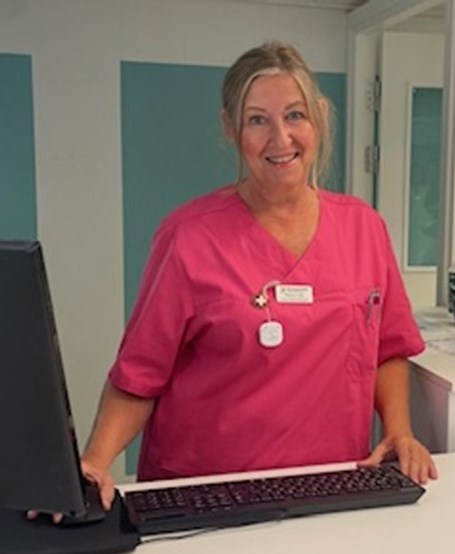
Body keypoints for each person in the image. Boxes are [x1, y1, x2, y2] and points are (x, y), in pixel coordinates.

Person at [82, 40, 438, 510]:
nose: (280, 138)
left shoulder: (364, 228)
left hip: (328, 487)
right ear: (230, 128)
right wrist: (94, 463)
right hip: (205, 493)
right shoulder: (188, 237)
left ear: (318, 118)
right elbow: (139, 374)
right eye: (257, 120)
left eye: (295, 115)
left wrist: (399, 431)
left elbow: (388, 348)